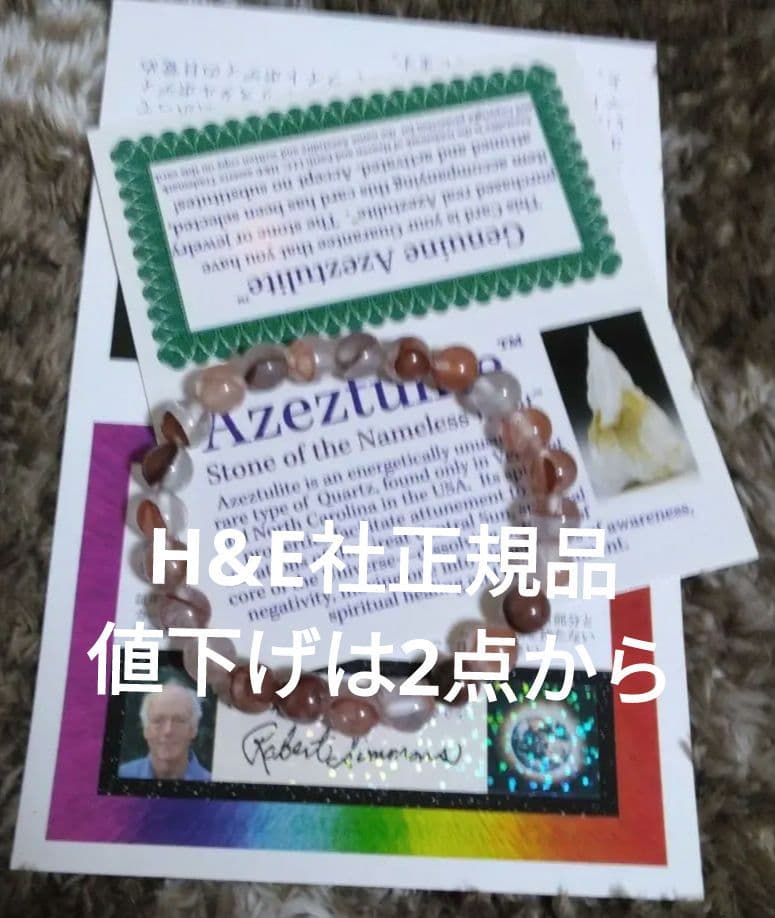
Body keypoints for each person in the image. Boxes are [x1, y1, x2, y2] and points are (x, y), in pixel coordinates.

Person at [119, 681, 211, 780]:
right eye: (158, 720)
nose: (168, 731)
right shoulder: (122, 776)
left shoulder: (212, 782)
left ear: (193, 729)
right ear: (146, 729)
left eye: (179, 721)